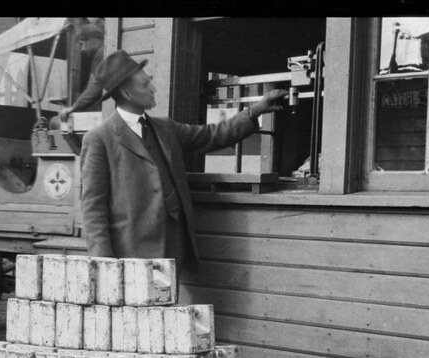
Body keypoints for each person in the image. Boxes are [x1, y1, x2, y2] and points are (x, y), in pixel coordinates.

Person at [79, 49, 287, 276]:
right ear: (127, 93)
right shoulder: (99, 139)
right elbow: (93, 210)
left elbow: (211, 135)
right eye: (145, 84)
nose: (153, 88)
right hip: (131, 259)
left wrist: (254, 111)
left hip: (172, 250)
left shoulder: (165, 128)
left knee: (168, 310)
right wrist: (105, 267)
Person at [57, 22, 105, 122]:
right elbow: (92, 85)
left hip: (104, 113)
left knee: (56, 122)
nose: (82, 49)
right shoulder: (100, 54)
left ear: (94, 39)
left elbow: (95, 86)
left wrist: (73, 108)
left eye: (82, 44)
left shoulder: (102, 53)